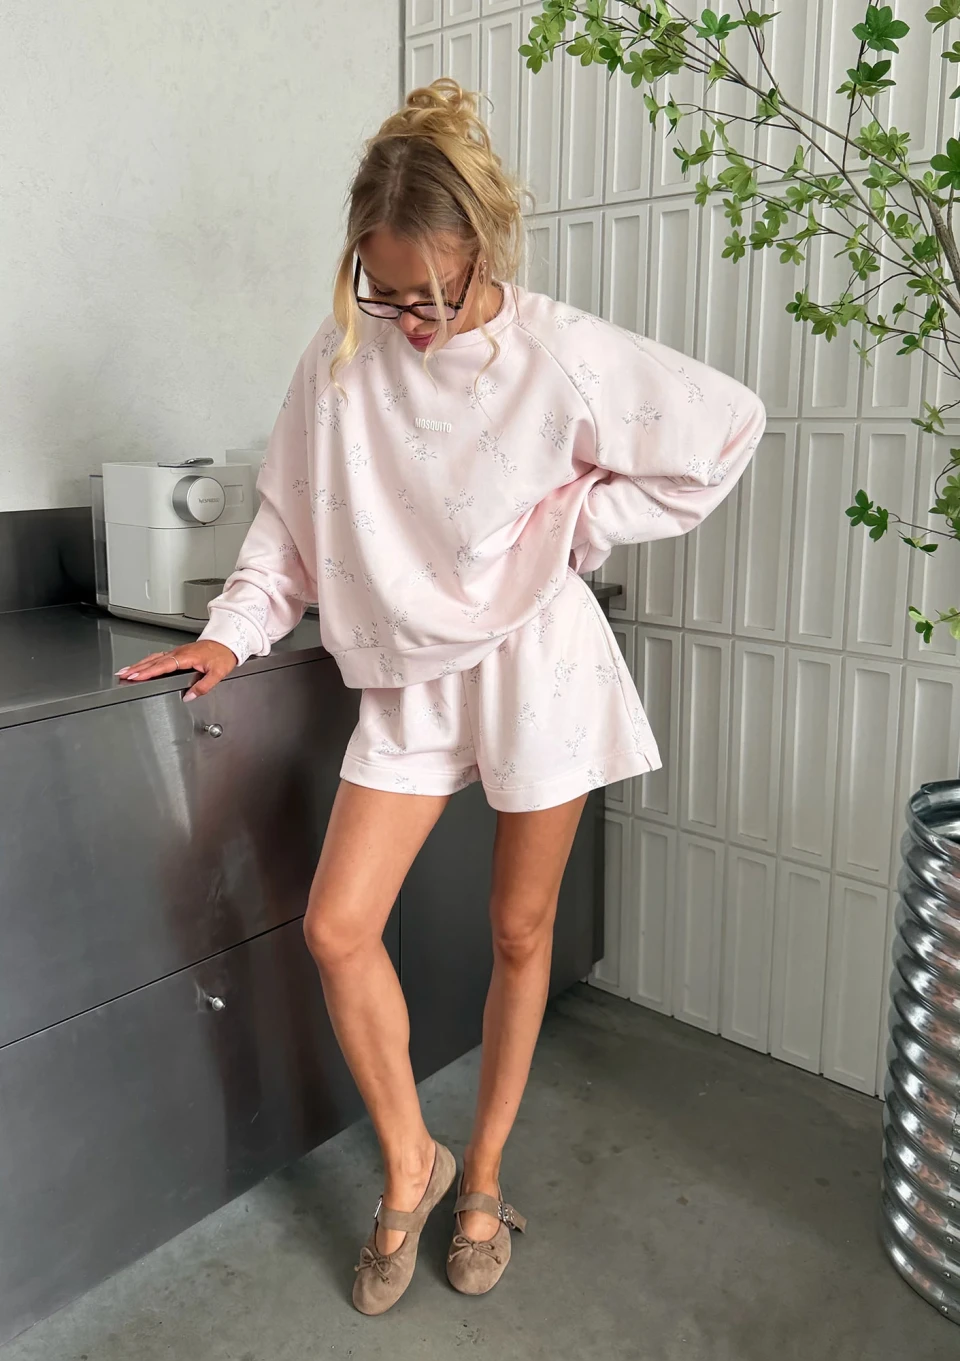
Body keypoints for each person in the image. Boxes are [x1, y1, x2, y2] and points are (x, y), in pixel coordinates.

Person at [119, 77, 766, 1314]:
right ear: (357, 265)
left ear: (486, 250)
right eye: (386, 292)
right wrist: (229, 634)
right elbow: (287, 530)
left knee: (520, 932)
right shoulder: (339, 360)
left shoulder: (558, 350)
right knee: (335, 927)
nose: (412, 321)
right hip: (410, 681)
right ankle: (411, 1162)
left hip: (539, 664)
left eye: (438, 295)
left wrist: (575, 523)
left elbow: (725, 429)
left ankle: (485, 1181)